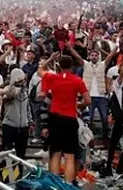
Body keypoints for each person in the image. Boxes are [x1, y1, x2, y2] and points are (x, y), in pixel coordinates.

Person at [38, 54, 90, 182]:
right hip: (70, 119)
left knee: (55, 153)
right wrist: (79, 105)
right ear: (72, 66)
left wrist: (50, 58)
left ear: (59, 66)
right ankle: (68, 185)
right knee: (69, 156)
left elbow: (40, 70)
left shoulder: (53, 78)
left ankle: (55, 185)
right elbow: (88, 100)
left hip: (55, 118)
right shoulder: (78, 80)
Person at [2, 68, 30, 159]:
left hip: (23, 126)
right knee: (7, 152)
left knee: (21, 153)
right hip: (10, 125)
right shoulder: (8, 88)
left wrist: (29, 120)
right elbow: (9, 95)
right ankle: (3, 172)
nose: (23, 81)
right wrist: (16, 84)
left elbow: (27, 106)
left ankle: (20, 171)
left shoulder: (25, 90)